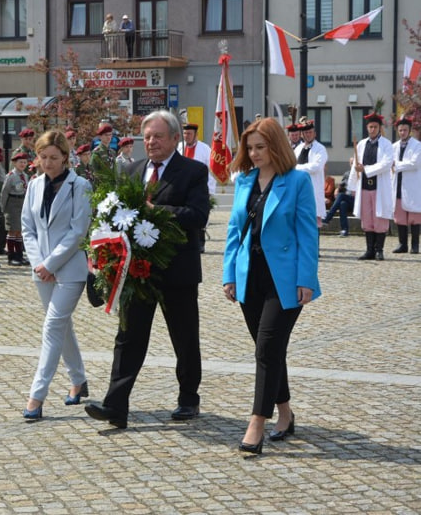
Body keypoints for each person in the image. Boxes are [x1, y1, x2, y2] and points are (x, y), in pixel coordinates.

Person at [85, 109, 209, 429]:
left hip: (177, 270)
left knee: (183, 338)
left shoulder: (193, 171)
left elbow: (197, 216)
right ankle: (116, 405)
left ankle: (188, 398)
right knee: (128, 338)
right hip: (136, 271)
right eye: (147, 136)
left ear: (174, 138)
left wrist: (158, 211)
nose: (151, 142)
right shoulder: (131, 171)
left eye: (157, 136)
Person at [222, 117, 320, 455]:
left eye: (260, 147)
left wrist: (306, 278)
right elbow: (235, 232)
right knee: (272, 350)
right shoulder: (245, 180)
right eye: (249, 148)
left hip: (285, 280)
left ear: (276, 146)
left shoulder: (297, 181)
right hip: (250, 276)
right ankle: (286, 414)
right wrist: (229, 274)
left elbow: (308, 233)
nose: (254, 153)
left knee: (265, 349)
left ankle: (256, 422)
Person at [21, 130, 92, 421]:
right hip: (42, 270)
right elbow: (27, 227)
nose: (48, 163)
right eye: (43, 157)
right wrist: (40, 263)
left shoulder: (80, 185)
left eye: (53, 157)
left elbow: (78, 231)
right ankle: (78, 380)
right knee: (62, 328)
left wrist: (51, 263)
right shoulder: (34, 185)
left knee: (52, 327)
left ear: (65, 156)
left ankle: (36, 396)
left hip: (71, 268)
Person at [348, 112, 394, 260]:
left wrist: (366, 169)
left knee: (379, 217)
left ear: (379, 128)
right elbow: (356, 164)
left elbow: (386, 164)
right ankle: (369, 250)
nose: (372, 129)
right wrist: (352, 184)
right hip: (365, 188)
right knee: (367, 218)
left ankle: (379, 250)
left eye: (375, 127)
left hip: (379, 187)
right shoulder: (361, 144)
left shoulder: (387, 145)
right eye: (370, 127)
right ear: (367, 128)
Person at [178, 123, 216, 252]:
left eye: (189, 134)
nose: (186, 136)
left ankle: (200, 243)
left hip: (199, 189)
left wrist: (209, 190)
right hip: (182, 189)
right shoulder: (178, 148)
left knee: (198, 217)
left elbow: (210, 170)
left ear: (196, 135)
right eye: (184, 134)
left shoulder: (205, 149)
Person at [391, 117, 421, 253]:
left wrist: (397, 165)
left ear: (410, 131)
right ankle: (402, 244)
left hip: (412, 185)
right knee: (400, 216)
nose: (402, 132)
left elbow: (414, 163)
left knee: (414, 217)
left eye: (405, 130)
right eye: (400, 130)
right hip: (398, 185)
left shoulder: (417, 146)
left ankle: (415, 245)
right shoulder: (394, 146)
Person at [294, 118, 328, 226]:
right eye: (305, 133)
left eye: (310, 132)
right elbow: (291, 164)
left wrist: (297, 167)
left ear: (315, 134)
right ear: (302, 135)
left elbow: (316, 166)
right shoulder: (298, 149)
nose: (308, 135)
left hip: (312, 188)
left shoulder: (320, 149)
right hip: (299, 189)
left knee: (313, 223)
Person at [0, 152, 29, 266]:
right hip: (12, 203)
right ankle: (11, 256)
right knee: (12, 231)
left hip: (22, 203)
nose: (22, 164)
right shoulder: (11, 176)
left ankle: (19, 255)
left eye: (24, 162)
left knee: (20, 231)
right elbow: (4, 192)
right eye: (20, 162)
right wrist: (3, 207)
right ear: (14, 163)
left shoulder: (25, 176)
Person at [323, 171, 355, 237]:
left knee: (341, 195)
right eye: (351, 163)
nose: (353, 165)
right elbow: (342, 185)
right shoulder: (347, 174)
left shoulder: (361, 173)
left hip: (357, 200)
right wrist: (337, 189)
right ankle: (344, 230)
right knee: (342, 204)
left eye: (353, 163)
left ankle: (328, 217)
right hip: (348, 199)